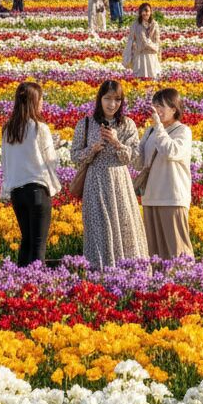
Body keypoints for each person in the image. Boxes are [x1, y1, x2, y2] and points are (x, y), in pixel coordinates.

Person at [70, 80, 148, 269]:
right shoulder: (86, 124)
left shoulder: (127, 124)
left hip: (119, 182)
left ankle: (129, 272)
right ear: (100, 99)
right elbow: (74, 156)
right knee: (98, 228)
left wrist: (116, 142)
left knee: (124, 225)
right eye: (107, 99)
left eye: (117, 99)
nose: (112, 104)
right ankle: (99, 272)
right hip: (95, 181)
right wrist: (93, 149)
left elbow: (132, 156)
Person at [0, 81, 59, 267]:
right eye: (41, 100)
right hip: (38, 191)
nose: (42, 104)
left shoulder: (8, 129)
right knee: (38, 246)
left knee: (26, 242)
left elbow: (6, 161)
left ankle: (20, 283)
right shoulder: (40, 128)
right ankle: (36, 286)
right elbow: (51, 160)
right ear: (34, 101)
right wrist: (55, 148)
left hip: (17, 192)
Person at [136, 87, 194, 260]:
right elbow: (140, 162)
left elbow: (171, 151)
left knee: (177, 250)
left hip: (172, 197)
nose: (157, 109)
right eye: (155, 105)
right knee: (155, 253)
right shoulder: (150, 131)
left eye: (161, 106)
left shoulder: (182, 131)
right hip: (150, 197)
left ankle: (185, 282)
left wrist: (159, 127)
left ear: (174, 109)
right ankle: (159, 284)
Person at [125, 2, 161, 78]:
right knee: (140, 77)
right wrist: (129, 54)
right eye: (143, 11)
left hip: (151, 55)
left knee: (152, 76)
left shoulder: (155, 24)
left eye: (147, 11)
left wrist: (158, 52)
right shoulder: (135, 24)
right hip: (140, 55)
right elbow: (131, 40)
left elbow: (157, 40)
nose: (145, 13)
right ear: (140, 12)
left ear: (151, 12)